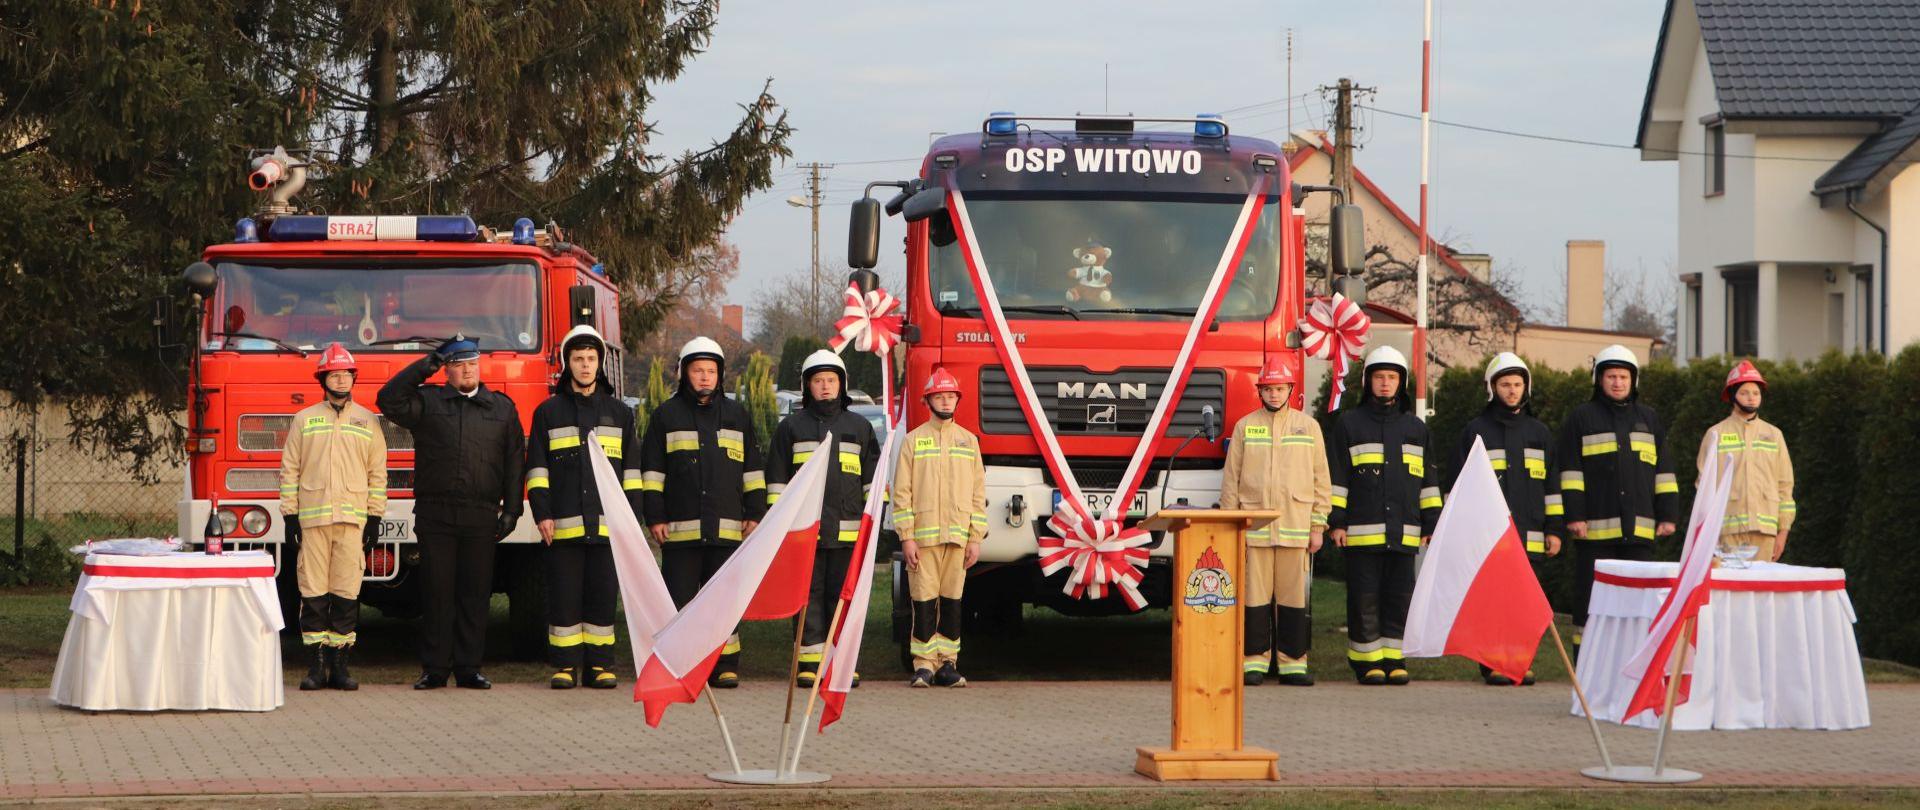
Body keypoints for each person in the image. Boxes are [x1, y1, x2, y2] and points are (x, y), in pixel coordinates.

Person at [377, 335, 524, 690]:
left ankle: (469, 668)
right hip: (436, 513)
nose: (468, 371)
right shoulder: (428, 402)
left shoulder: (501, 408)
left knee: (474, 594)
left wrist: (512, 510)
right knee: (437, 593)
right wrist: (426, 365)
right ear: (447, 371)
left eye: (472, 364)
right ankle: (435, 669)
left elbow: (514, 462)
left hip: (480, 513)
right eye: (458, 365)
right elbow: (388, 399)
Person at [639, 337, 767, 688]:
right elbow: (652, 474)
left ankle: (725, 664)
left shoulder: (737, 416)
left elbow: (753, 471)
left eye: (711, 371)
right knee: (680, 603)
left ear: (720, 375)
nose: (705, 377)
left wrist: (755, 513)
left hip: (727, 533)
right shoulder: (666, 417)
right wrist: (655, 517)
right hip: (680, 534)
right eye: (698, 370)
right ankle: (682, 664)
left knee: (723, 604)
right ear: (684, 373)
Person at [525, 326, 637, 690]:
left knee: (602, 598)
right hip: (563, 527)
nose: (585, 366)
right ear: (567, 364)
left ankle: (601, 666)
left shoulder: (620, 414)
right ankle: (565, 666)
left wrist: (631, 522)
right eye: (578, 359)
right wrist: (542, 514)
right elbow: (537, 470)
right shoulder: (548, 413)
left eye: (591, 359)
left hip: (608, 529)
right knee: (564, 599)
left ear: (600, 364)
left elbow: (632, 475)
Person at [1326, 345, 1441, 686]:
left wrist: (1431, 523)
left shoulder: (1416, 428)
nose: (1386, 383)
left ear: (1401, 382)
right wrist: (1337, 522)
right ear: (1368, 382)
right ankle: (1367, 662)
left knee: (1399, 598)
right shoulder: (1350, 424)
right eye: (1379, 377)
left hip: (1404, 532)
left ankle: (1394, 659)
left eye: (1392, 377)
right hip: (1361, 534)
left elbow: (1428, 481)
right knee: (1364, 598)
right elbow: (1337, 478)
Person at [1556, 344, 1678, 658]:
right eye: (1611, 376)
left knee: (1638, 603)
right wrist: (1575, 516)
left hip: (1638, 532)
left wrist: (1667, 515)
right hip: (1594, 532)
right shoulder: (1581, 418)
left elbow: (1663, 471)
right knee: (1591, 601)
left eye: (1624, 377)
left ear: (1633, 380)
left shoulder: (1649, 419)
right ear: (1599, 379)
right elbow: (1570, 471)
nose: (1618, 382)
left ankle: (1632, 662)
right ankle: (1585, 664)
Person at [1448, 352, 1562, 686]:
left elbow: (1552, 487)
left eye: (1517, 385)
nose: (1512, 391)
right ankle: (1494, 662)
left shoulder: (1540, 433)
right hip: (1491, 536)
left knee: (1524, 603)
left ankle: (1519, 661)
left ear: (1526, 388)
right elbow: (1460, 486)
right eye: (1505, 385)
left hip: (1531, 534)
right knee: (1494, 600)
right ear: (1492, 388)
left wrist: (1555, 530)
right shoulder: (1476, 432)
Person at [767, 350, 878, 688]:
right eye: (818, 380)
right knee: (808, 596)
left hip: (848, 534)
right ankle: (809, 663)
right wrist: (780, 528)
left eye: (831, 380)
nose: (826, 386)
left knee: (842, 597)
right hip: (805, 533)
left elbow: (873, 484)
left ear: (842, 384)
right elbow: (777, 483)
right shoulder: (790, 428)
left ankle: (840, 664)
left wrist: (873, 527)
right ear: (807, 386)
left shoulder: (860, 427)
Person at [280, 342, 387, 691]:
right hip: (312, 524)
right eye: (334, 374)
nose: (341, 380)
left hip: (352, 524)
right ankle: (315, 668)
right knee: (312, 595)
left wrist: (375, 518)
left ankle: (340, 667)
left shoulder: (368, 421)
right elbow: (290, 470)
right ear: (323, 379)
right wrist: (290, 516)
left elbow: (377, 474)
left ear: (353, 378)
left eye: (346, 374)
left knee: (345, 594)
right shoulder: (304, 419)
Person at [1220, 357, 1330, 686]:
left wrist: (1318, 526)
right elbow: (1231, 480)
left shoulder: (1308, 427)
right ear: (1260, 391)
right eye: (1268, 389)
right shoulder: (1245, 426)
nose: (1274, 395)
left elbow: (1321, 480)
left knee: (1293, 601)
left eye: (1279, 389)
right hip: (1254, 529)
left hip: (1296, 527)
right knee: (1253, 599)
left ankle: (1293, 664)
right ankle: (1253, 662)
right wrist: (1230, 526)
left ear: (1290, 390)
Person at [891, 367, 987, 688]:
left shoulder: (969, 442)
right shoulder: (913, 441)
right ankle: (923, 666)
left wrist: (975, 538)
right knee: (923, 602)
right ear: (927, 400)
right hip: (923, 540)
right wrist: (907, 537)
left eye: (950, 396)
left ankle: (948, 664)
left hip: (958, 539)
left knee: (952, 603)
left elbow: (978, 494)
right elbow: (902, 493)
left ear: (957, 400)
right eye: (939, 396)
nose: (945, 401)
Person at [1696, 359, 1795, 562]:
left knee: (1761, 583)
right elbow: (1703, 488)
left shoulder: (1774, 435)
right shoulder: (1716, 434)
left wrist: (1783, 532)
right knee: (1730, 582)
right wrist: (1708, 534)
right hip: (1726, 532)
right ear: (1732, 395)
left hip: (1765, 531)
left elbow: (1785, 485)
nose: (1751, 398)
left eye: (1756, 393)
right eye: (1744, 393)